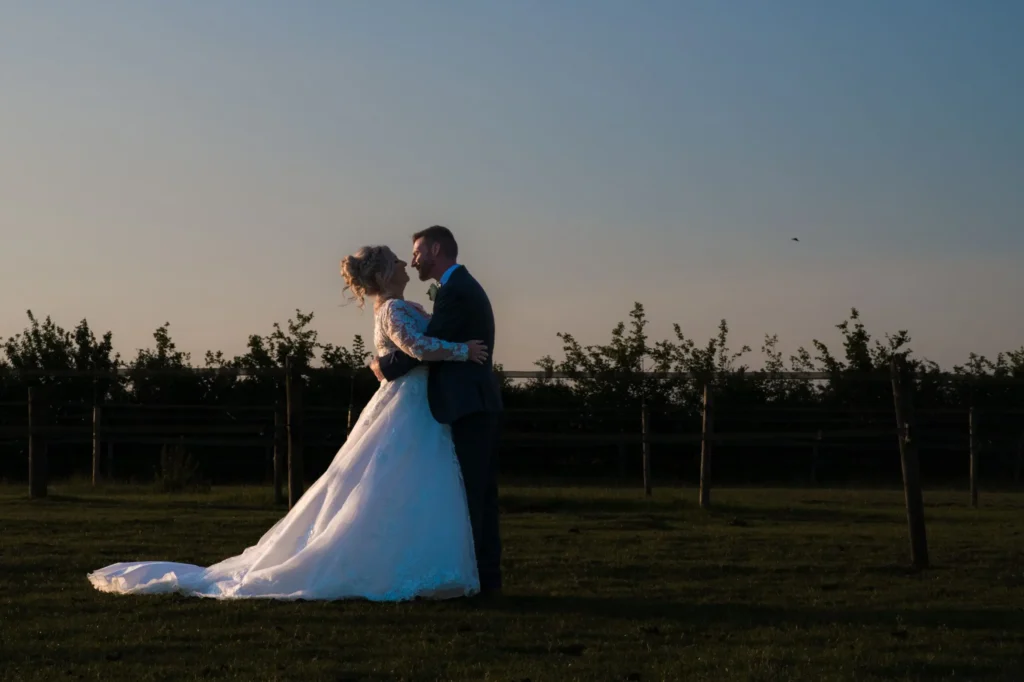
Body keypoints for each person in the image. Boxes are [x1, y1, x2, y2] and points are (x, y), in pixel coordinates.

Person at [87, 244, 488, 601]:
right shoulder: (395, 309)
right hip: (407, 405)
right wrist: (461, 351)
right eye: (399, 261)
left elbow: (411, 347)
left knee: (407, 483)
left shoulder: (404, 307)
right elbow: (416, 347)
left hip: (415, 403)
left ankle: (414, 562)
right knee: (394, 481)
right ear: (384, 273)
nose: (406, 263)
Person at [371, 225, 503, 595]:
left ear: (436, 249)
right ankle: (483, 579)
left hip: (467, 405)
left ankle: (483, 580)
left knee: (473, 495)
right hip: (467, 403)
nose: (412, 260)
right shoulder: (454, 288)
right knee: (472, 494)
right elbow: (429, 341)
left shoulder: (456, 291)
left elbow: (426, 344)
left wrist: (382, 366)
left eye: (416, 252)